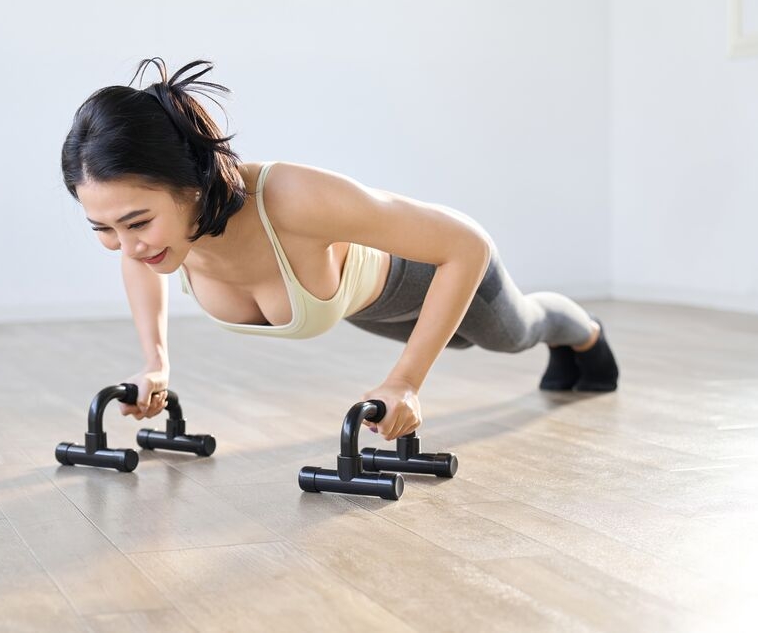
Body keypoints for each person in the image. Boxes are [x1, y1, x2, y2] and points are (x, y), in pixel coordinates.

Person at [60, 58, 619, 441]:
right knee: (463, 345)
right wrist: (155, 364)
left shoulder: (290, 198)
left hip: (430, 272)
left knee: (513, 333)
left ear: (191, 185)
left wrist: (405, 382)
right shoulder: (154, 244)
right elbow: (140, 266)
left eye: (136, 222)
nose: (125, 247)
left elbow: (466, 244)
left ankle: (585, 334)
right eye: (102, 229)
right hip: (371, 308)